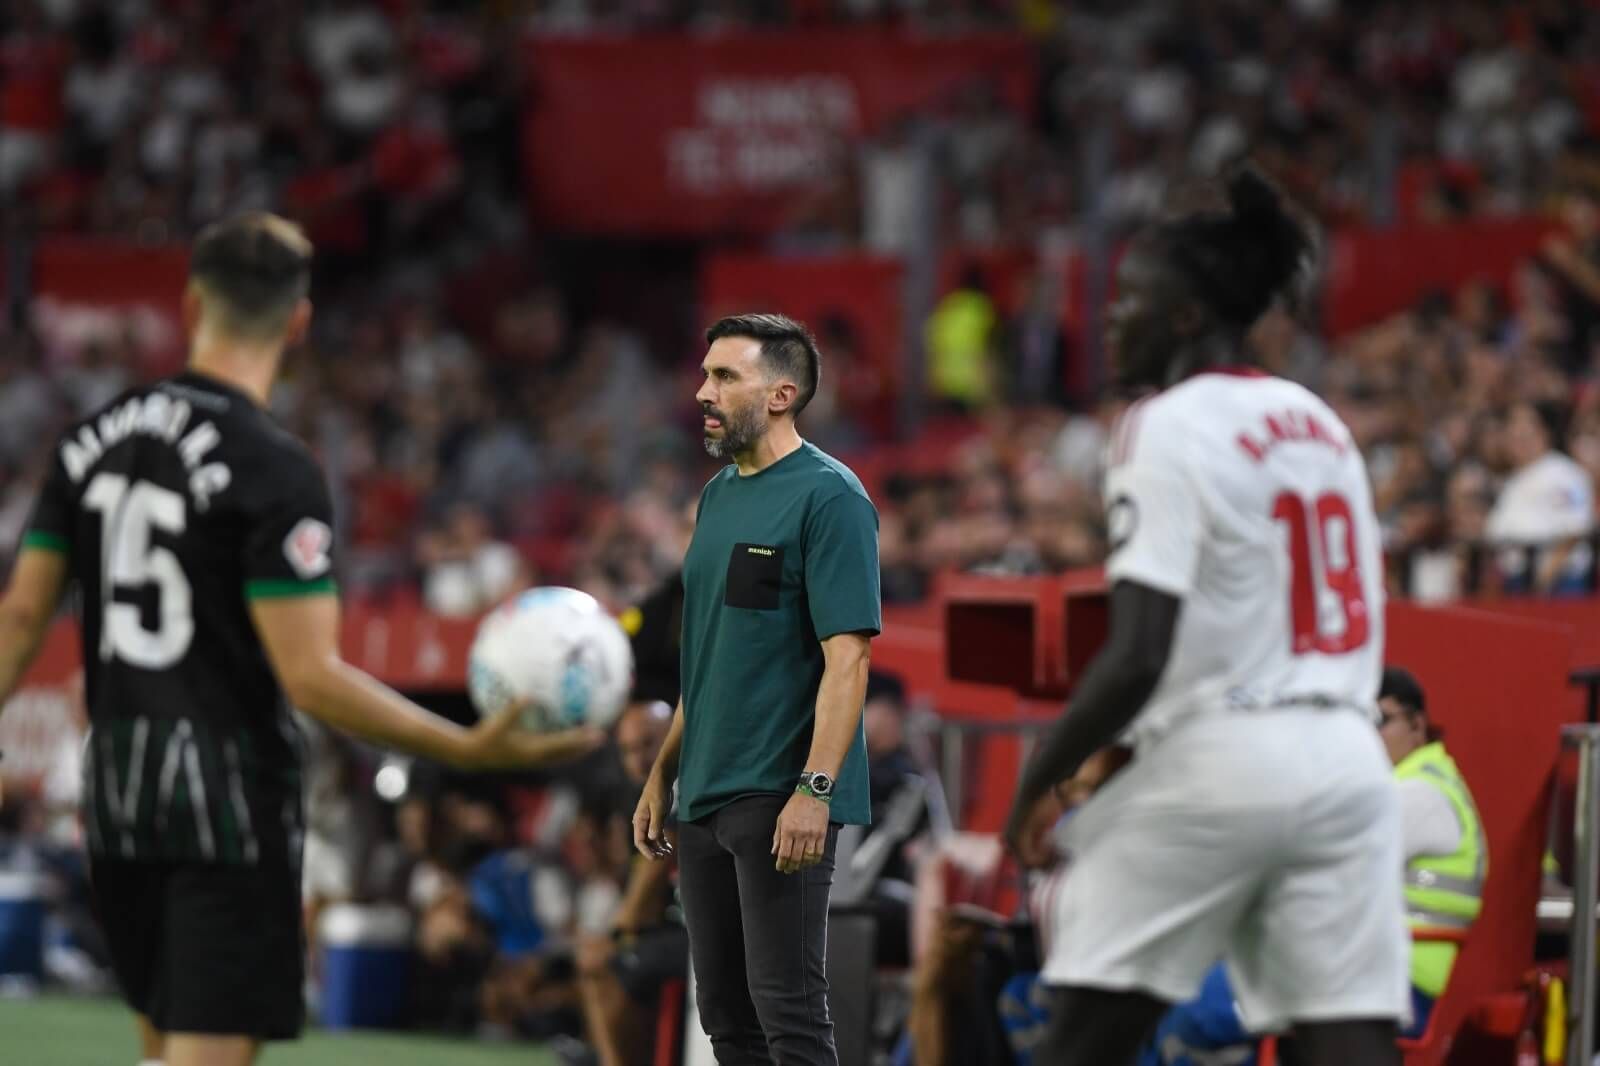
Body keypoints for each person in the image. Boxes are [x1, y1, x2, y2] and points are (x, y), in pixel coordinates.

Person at [0, 213, 603, 1066]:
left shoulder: (88, 441)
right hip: (223, 801)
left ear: (192, 305)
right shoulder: (272, 466)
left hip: (121, 791)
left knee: (161, 1047)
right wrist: (464, 745)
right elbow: (310, 676)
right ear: (298, 323)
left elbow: (21, 618)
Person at [1003, 168, 1406, 1066]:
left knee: (1081, 1039)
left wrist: (1040, 779)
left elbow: (1140, 652)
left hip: (1225, 757)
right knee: (1347, 1043)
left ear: (1186, 318)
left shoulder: (1164, 422)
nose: (1113, 321)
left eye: (1130, 302)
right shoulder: (1320, 420)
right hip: (1348, 761)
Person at [633, 313, 881, 1066]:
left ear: (781, 394)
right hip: (705, 791)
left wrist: (815, 789)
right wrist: (663, 771)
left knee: (790, 1015)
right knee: (726, 1021)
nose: (703, 392)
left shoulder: (831, 498)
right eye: (705, 374)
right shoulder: (717, 496)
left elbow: (849, 662)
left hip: (779, 790)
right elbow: (710, 657)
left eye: (724, 376)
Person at [1140, 666, 1486, 1064]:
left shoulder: (1419, 795)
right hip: (1358, 973)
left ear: (1417, 726)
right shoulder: (1412, 786)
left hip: (1375, 985)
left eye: (1379, 720)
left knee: (1189, 1011)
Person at [576, 699, 688, 1066]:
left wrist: (618, 931)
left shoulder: (680, 784)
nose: (637, 759)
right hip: (668, 928)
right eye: (627, 750)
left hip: (701, 931)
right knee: (599, 961)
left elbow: (656, 866)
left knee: (603, 963)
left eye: (647, 744)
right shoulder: (629, 796)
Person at [1486, 400, 1594, 596]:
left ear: (1544, 433)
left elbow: (1574, 531)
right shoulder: (1513, 480)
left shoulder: (1564, 473)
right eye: (1513, 431)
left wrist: (1542, 582)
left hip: (1558, 584)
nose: (1517, 435)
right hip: (1516, 581)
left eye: (1525, 431)